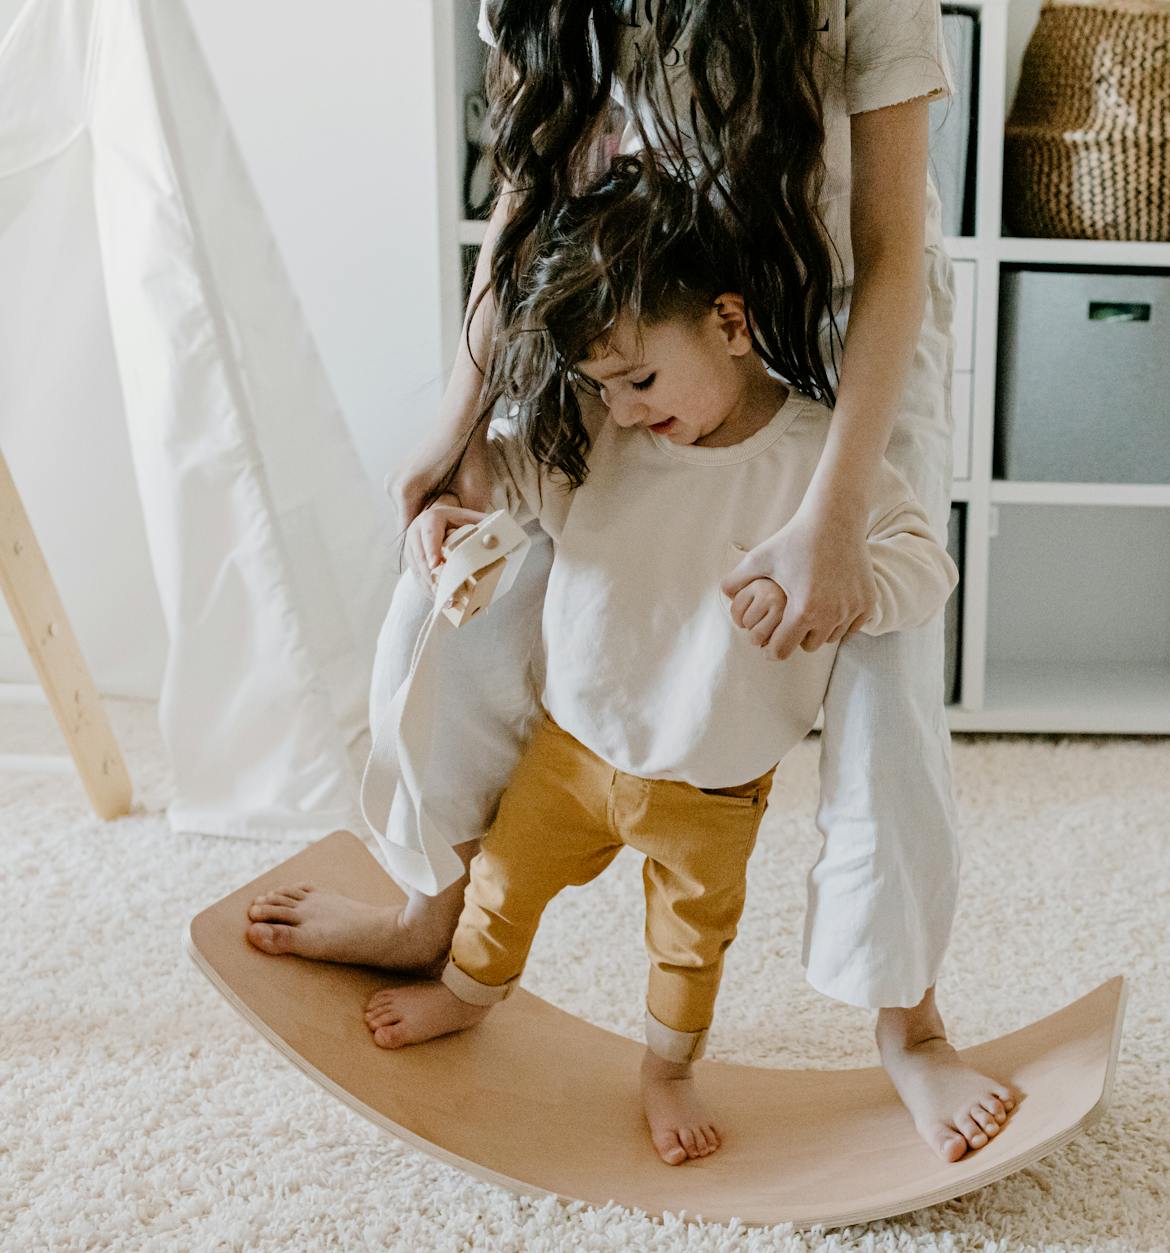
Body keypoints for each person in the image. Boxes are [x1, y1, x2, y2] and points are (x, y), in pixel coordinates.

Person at [244, 0, 1008, 1162]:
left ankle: (909, 1022)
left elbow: (896, 246)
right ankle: (430, 911)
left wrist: (835, 512)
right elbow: (527, 196)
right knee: (455, 593)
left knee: (885, 682)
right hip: (634, 310)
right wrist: (459, 420)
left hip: (844, 318)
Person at [358, 160, 972, 1166]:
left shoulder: (817, 460)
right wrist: (453, 517)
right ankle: (467, 993)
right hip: (569, 750)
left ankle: (666, 1070)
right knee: (503, 883)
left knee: (687, 948)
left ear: (731, 324)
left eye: (640, 379)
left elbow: (918, 561)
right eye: (606, 387)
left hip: (712, 786)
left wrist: (847, 577)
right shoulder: (606, 434)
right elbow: (516, 482)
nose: (629, 407)